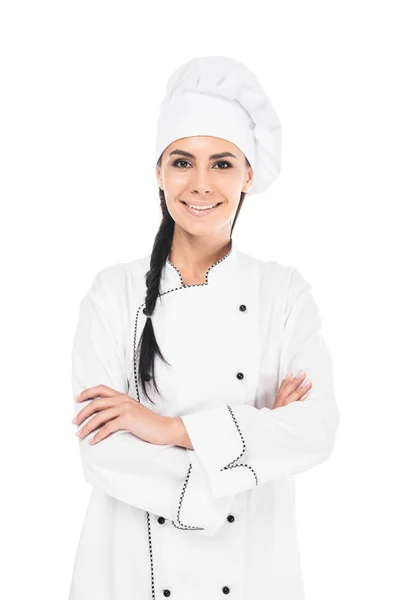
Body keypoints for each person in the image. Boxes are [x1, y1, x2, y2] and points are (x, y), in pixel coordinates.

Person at [69, 55, 340, 600]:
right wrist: (253, 444)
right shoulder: (112, 294)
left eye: (221, 163)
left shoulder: (283, 294)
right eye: (181, 161)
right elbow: (103, 449)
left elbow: (315, 430)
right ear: (158, 172)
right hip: (128, 570)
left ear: (249, 175)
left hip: (255, 570)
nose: (200, 184)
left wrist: (167, 429)